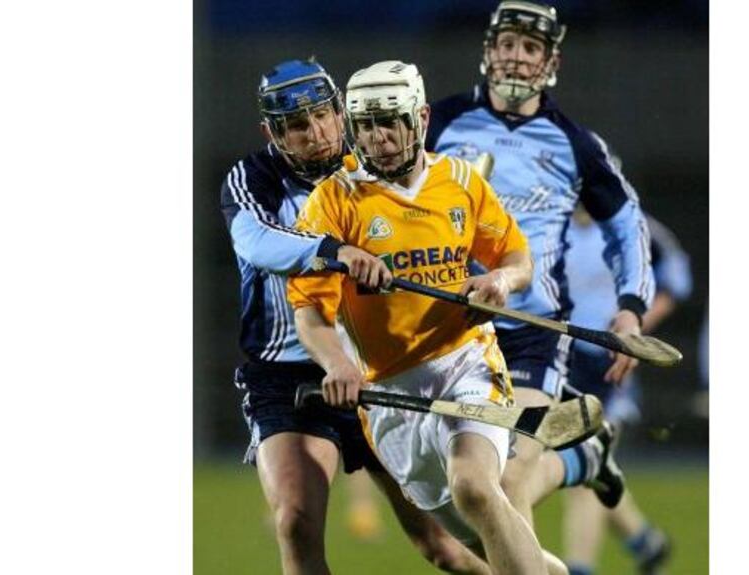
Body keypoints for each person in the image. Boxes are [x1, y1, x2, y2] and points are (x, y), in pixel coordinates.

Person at [288, 60, 567, 575]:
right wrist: (337, 366)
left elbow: (517, 260)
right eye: (367, 126)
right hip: (390, 395)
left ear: (419, 118)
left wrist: (498, 282)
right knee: (480, 539)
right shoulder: (333, 202)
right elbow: (310, 311)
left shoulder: (459, 181)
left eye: (390, 122)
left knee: (476, 488)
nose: (380, 138)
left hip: (465, 363)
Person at [220, 58, 489, 575]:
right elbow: (253, 242)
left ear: (341, 113)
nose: (315, 134)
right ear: (271, 132)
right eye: (297, 126)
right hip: (291, 378)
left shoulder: (375, 168)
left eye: (322, 116)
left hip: (382, 367)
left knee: (447, 547)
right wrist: (333, 250)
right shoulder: (252, 178)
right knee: (295, 521)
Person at [426, 0, 656, 526]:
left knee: (504, 482)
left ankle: (579, 456)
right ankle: (582, 457)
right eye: (507, 44)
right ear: (489, 51)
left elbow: (627, 225)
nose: (516, 57)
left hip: (533, 331)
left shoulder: (576, 145)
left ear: (550, 63)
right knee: (459, 507)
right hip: (449, 334)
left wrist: (630, 307)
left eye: (530, 47)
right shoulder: (435, 125)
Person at [560, 203, 691, 575]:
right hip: (561, 361)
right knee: (593, 468)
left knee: (584, 472)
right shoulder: (548, 219)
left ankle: (579, 568)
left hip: (610, 367)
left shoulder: (634, 226)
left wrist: (634, 329)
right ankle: (645, 541)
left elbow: (678, 280)